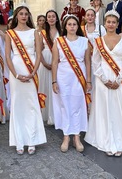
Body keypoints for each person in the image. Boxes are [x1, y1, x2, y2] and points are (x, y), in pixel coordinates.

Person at [85, 10, 122, 156]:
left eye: (113, 22)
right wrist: (104, 79)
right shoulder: (99, 41)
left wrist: (120, 79)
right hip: (103, 80)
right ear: (105, 23)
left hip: (119, 80)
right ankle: (106, 140)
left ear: (117, 24)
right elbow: (95, 62)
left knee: (118, 109)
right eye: (108, 22)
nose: (110, 24)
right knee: (105, 110)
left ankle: (120, 141)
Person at [5, 5, 46, 155]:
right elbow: (8, 56)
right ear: (16, 16)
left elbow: (38, 54)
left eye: (26, 14)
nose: (23, 16)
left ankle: (32, 139)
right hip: (16, 71)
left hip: (31, 70)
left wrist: (34, 72)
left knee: (31, 104)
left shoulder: (35, 32)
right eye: (21, 14)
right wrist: (15, 74)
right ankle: (19, 140)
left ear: (29, 16)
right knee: (18, 104)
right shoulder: (10, 33)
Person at [51, 15, 92, 153]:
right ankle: (66, 136)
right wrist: (54, 80)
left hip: (79, 78)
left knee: (78, 106)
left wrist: (88, 81)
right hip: (63, 77)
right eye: (69, 24)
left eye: (75, 24)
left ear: (77, 26)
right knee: (64, 106)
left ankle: (77, 136)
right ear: (65, 26)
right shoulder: (59, 41)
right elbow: (55, 62)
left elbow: (87, 62)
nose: (72, 26)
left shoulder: (84, 41)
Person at [38, 10, 62, 125]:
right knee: (45, 87)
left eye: (53, 16)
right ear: (46, 19)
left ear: (57, 19)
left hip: (58, 61)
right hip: (46, 60)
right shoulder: (42, 33)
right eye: (49, 17)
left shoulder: (62, 32)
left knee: (57, 87)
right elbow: (38, 50)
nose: (51, 18)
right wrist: (43, 63)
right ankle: (46, 113)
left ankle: (56, 114)